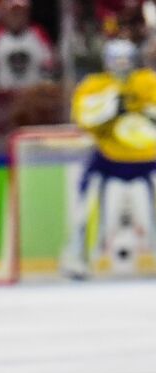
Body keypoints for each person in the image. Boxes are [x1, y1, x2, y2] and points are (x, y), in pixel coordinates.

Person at [61, 38, 156, 278]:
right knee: (85, 206)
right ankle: (78, 256)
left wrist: (147, 113)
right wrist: (110, 108)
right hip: (108, 157)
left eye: (126, 59)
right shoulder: (94, 85)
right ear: (106, 61)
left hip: (147, 157)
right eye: (116, 60)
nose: (121, 65)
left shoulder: (148, 81)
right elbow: (83, 118)